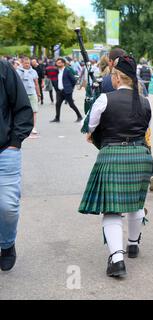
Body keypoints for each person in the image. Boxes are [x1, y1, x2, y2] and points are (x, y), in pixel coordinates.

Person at [78, 56, 153, 278]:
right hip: (140, 156)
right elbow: (145, 130)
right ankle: (133, 244)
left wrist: (94, 134)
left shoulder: (104, 99)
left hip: (112, 155)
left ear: (116, 77)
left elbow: (90, 126)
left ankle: (117, 259)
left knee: (112, 208)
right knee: (136, 202)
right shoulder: (146, 102)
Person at [0, 59, 34, 271]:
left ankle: (7, 244)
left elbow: (23, 107)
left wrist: (15, 142)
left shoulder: (3, 69)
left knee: (7, 206)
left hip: (5, 150)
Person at [50, 58, 83, 123]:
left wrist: (70, 88)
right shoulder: (57, 71)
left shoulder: (67, 70)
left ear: (63, 63)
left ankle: (79, 116)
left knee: (71, 104)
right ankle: (57, 118)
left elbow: (73, 80)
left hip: (67, 91)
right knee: (58, 104)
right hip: (59, 91)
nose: (57, 64)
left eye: (59, 63)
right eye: (57, 63)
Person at [17, 57, 40, 138]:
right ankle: (23, 127)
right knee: (23, 112)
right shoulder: (18, 71)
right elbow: (17, 83)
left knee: (34, 111)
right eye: (25, 63)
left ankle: (33, 127)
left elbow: (36, 84)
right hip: (22, 94)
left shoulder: (33, 71)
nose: (27, 65)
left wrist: (38, 94)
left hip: (32, 93)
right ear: (22, 63)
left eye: (28, 63)